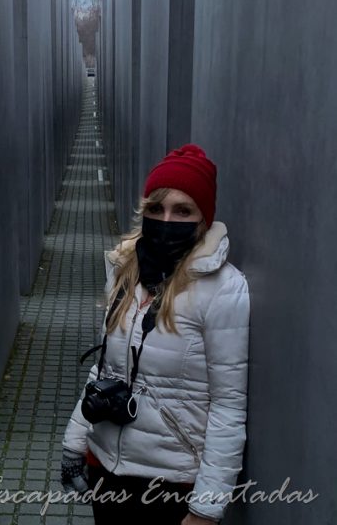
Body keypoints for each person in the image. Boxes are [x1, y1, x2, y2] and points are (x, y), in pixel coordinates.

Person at [60, 144, 250, 524]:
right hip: (106, 469)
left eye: (182, 210)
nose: (166, 219)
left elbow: (228, 407)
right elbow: (104, 370)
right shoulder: (123, 271)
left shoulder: (224, 289)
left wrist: (206, 509)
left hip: (171, 482)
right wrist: (74, 442)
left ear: (202, 220)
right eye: (156, 209)